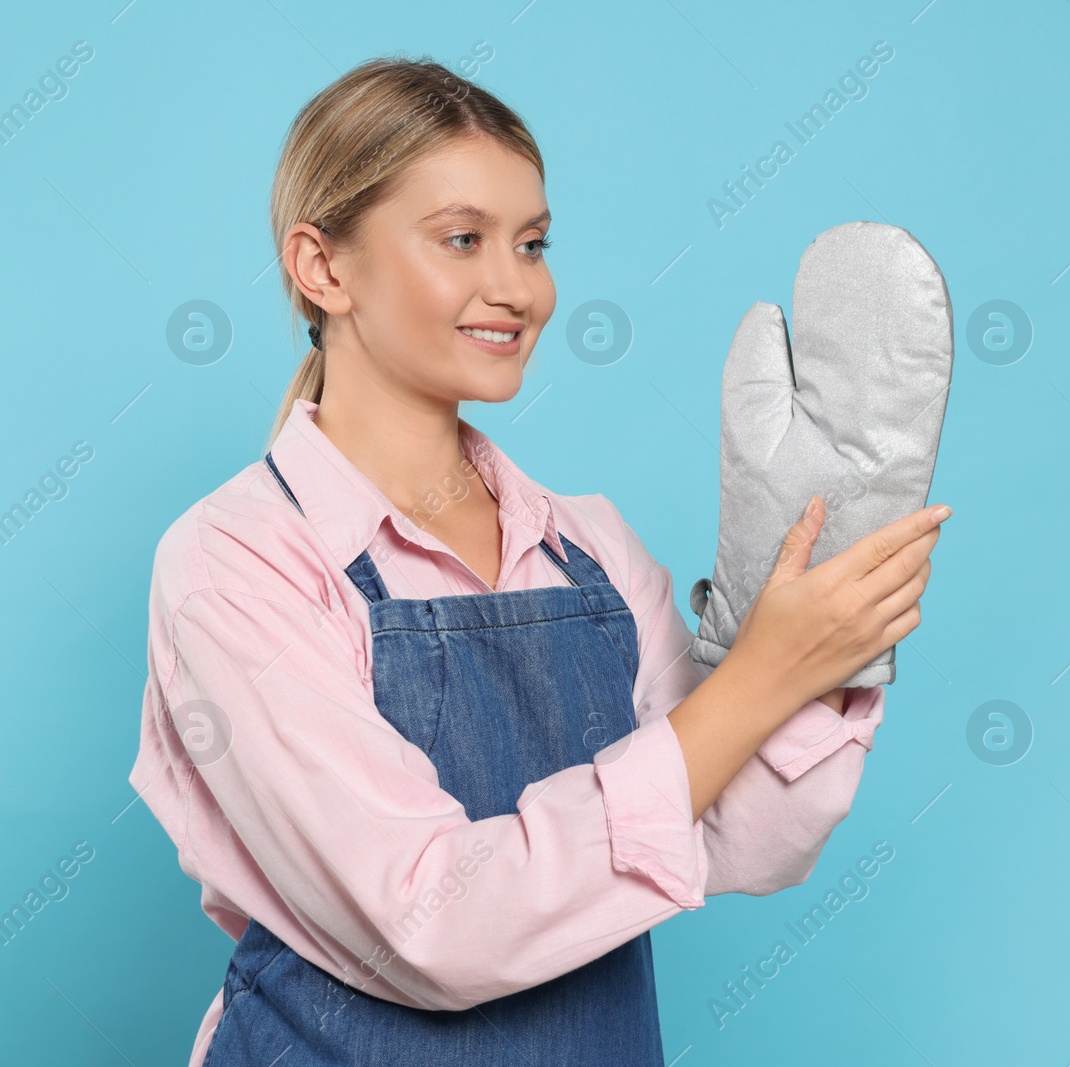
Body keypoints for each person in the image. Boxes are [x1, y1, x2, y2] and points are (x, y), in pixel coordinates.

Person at [127, 56, 949, 1066]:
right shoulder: (239, 559)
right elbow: (429, 921)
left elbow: (749, 836)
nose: (517, 288)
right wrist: (755, 678)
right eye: (462, 239)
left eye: (533, 243)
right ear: (323, 267)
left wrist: (818, 637)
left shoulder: (587, 546)